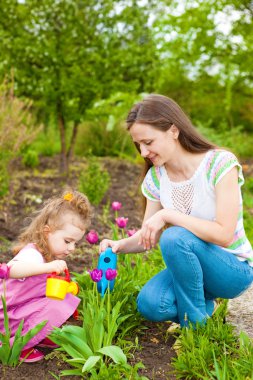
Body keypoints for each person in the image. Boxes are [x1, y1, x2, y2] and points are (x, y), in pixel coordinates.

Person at [100, 94, 253, 328]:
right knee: (151, 304)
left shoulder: (219, 164)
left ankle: (195, 327)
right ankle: (206, 307)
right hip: (191, 271)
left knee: (175, 236)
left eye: (148, 142)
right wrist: (119, 246)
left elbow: (223, 234)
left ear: (173, 130)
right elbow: (147, 236)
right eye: (138, 145)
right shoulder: (156, 178)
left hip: (232, 269)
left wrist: (168, 215)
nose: (143, 152)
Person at [0, 190, 91, 362]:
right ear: (47, 232)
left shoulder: (50, 256)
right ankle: (18, 344)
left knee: (61, 298)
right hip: (7, 316)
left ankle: (37, 334)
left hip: (21, 310)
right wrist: (45, 267)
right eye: (67, 241)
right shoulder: (33, 254)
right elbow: (11, 269)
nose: (72, 248)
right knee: (56, 304)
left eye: (75, 243)